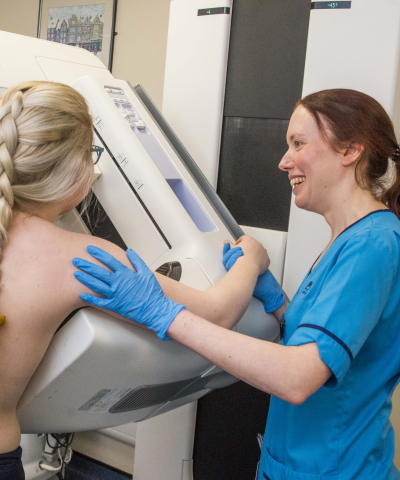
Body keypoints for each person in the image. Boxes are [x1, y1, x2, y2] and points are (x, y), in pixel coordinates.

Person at [73, 89, 400, 479]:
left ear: (350, 151)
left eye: (298, 143)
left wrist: (163, 313)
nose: (284, 161)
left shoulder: (372, 246)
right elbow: (337, 342)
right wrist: (279, 304)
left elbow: (298, 376)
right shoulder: (351, 238)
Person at [0, 80, 269, 479]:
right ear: (76, 168)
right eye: (91, 154)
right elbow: (219, 314)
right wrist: (252, 259)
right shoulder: (82, 257)